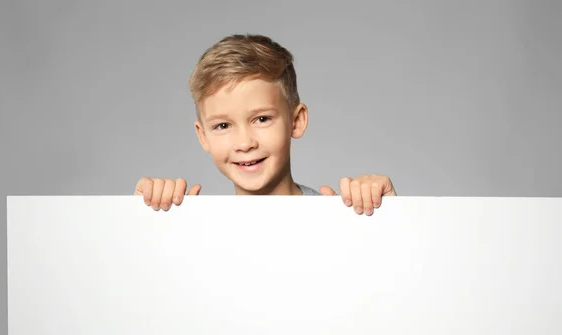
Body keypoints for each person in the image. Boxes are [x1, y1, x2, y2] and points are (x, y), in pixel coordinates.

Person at [134, 34, 396, 216]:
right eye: (223, 125)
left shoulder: (340, 216)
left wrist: (389, 216)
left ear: (296, 121)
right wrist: (145, 218)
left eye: (262, 119)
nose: (245, 143)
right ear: (203, 136)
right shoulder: (195, 228)